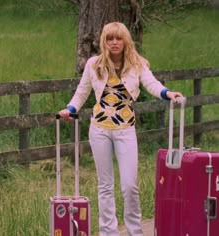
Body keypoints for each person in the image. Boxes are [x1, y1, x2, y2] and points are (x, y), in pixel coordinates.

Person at [59, 22, 183, 236]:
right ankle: (108, 231)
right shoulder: (94, 64)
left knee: (129, 186)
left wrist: (168, 94)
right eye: (110, 39)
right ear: (104, 41)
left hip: (125, 130)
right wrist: (70, 109)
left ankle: (135, 231)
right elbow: (82, 92)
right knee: (105, 185)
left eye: (118, 38)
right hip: (99, 130)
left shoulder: (137, 64)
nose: (114, 43)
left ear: (125, 40)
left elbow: (151, 83)